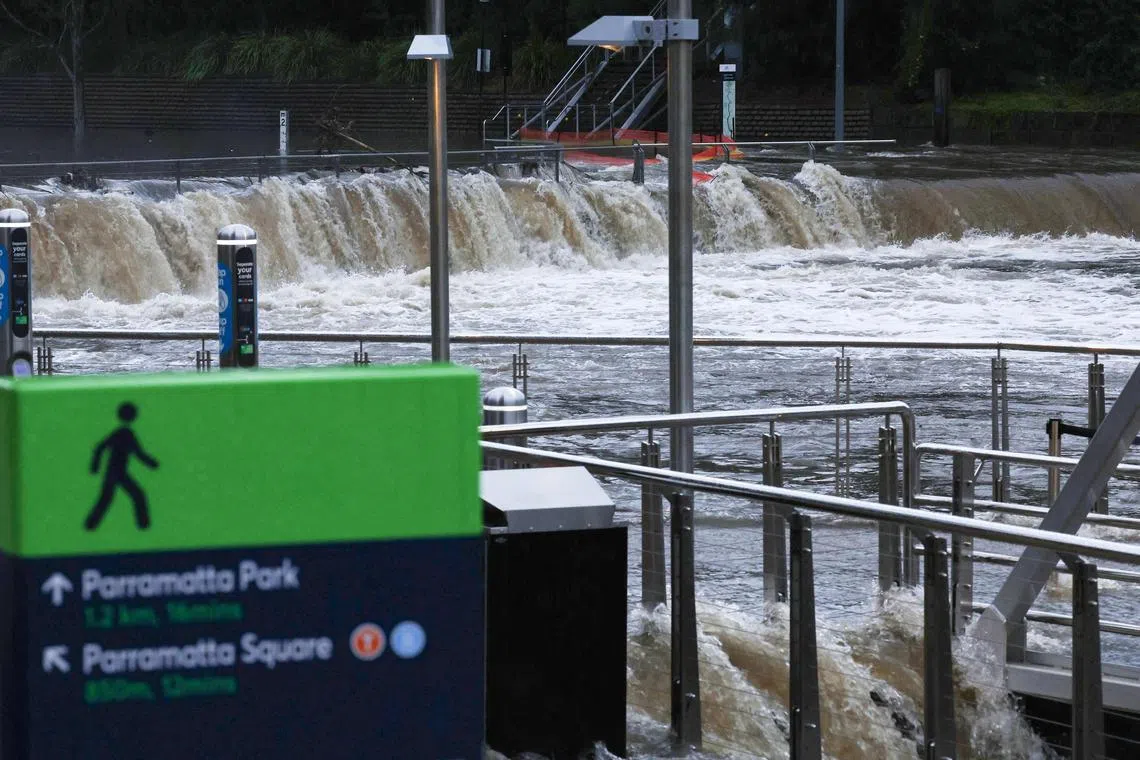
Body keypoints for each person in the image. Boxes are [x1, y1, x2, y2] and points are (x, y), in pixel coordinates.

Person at [84, 402, 159, 531]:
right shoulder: (123, 433)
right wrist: (94, 466)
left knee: (111, 498)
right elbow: (101, 447)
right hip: (116, 473)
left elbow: (137, 452)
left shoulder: (125, 433)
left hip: (118, 472)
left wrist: (151, 463)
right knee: (133, 496)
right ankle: (143, 525)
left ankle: (90, 525)